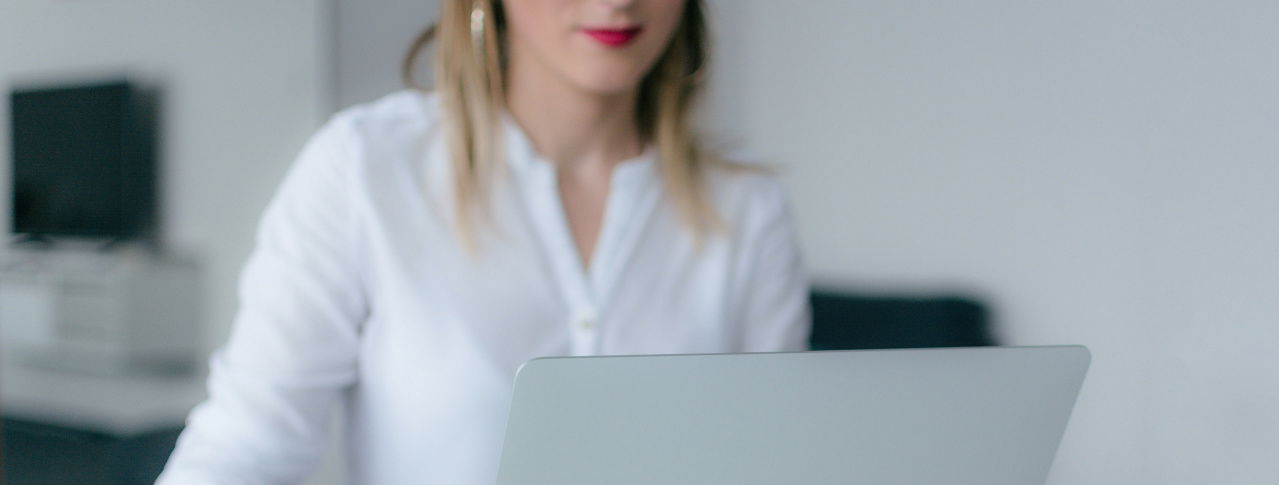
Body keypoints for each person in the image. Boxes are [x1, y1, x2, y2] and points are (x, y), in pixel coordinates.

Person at [156, 0, 809, 483]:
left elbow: (778, 462)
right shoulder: (365, 170)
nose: (617, 1)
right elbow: (248, 447)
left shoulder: (747, 210)